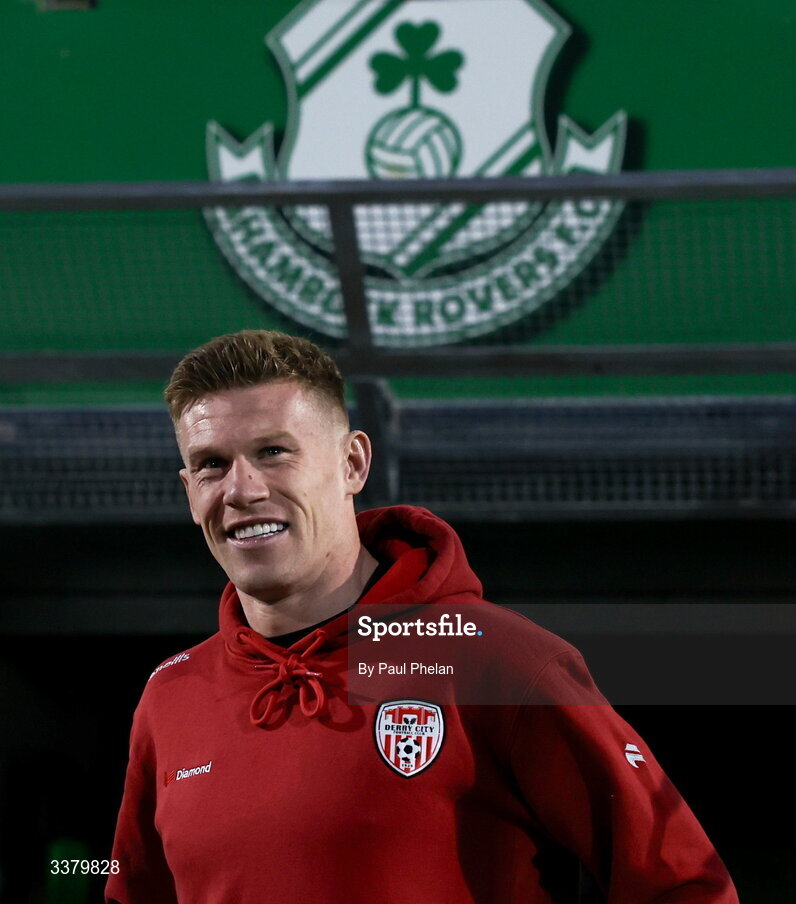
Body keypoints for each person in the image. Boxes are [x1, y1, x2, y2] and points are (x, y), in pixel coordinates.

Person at [106, 329, 738, 904]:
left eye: (273, 451)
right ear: (190, 491)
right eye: (211, 464)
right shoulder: (170, 697)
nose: (241, 489)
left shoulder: (495, 660)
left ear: (352, 463)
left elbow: (683, 886)